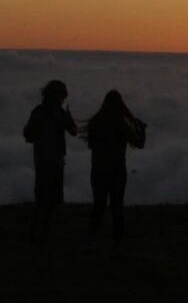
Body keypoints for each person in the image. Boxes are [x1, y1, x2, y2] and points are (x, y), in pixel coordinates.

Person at [83, 90, 146, 249]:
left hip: (98, 170)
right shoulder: (122, 126)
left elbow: (90, 145)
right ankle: (117, 242)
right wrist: (141, 129)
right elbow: (140, 144)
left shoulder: (96, 123)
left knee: (99, 205)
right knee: (117, 206)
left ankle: (91, 238)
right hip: (117, 171)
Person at [23, 79, 77, 245]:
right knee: (43, 200)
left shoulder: (47, 112)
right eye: (61, 96)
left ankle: (40, 235)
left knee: (49, 201)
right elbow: (28, 134)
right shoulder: (43, 113)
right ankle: (36, 235)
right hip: (47, 161)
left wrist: (68, 120)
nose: (62, 99)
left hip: (51, 161)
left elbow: (73, 131)